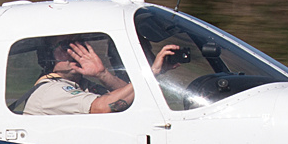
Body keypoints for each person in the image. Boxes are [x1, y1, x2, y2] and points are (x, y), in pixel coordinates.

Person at [21, 36, 181, 115]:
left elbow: (130, 98)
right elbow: (103, 107)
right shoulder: (50, 91)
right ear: (47, 56)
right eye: (65, 47)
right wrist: (150, 73)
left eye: (79, 44)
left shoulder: (81, 85)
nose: (76, 51)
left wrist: (102, 74)